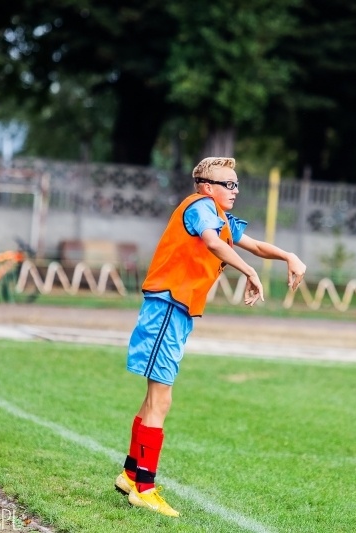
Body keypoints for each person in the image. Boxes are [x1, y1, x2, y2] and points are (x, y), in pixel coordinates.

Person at [113, 157, 307, 517]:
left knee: (154, 398)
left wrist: (287, 255)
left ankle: (130, 474)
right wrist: (249, 272)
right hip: (167, 306)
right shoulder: (201, 207)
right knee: (161, 399)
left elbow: (254, 245)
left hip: (177, 310)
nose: (234, 190)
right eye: (226, 184)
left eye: (236, 184)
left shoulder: (219, 217)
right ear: (206, 186)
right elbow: (212, 243)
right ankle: (144, 487)